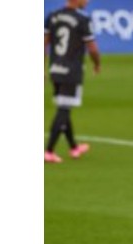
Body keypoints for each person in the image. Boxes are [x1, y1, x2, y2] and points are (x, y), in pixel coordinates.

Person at [44, 0, 100, 163]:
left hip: (55, 68)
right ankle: (49, 151)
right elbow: (92, 48)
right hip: (71, 70)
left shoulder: (53, 16)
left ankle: (74, 147)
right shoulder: (83, 19)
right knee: (64, 110)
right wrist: (97, 63)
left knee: (64, 106)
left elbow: (44, 43)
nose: (87, 1)